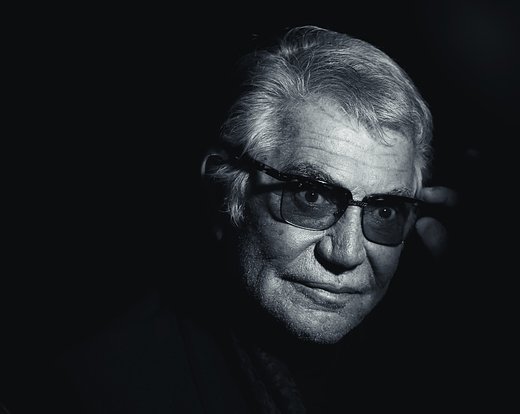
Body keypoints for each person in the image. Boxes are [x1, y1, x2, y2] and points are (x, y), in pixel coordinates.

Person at [34, 25, 458, 413]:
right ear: (222, 190)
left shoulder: (434, 372)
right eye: (310, 196)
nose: (346, 253)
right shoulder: (92, 392)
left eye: (384, 211)